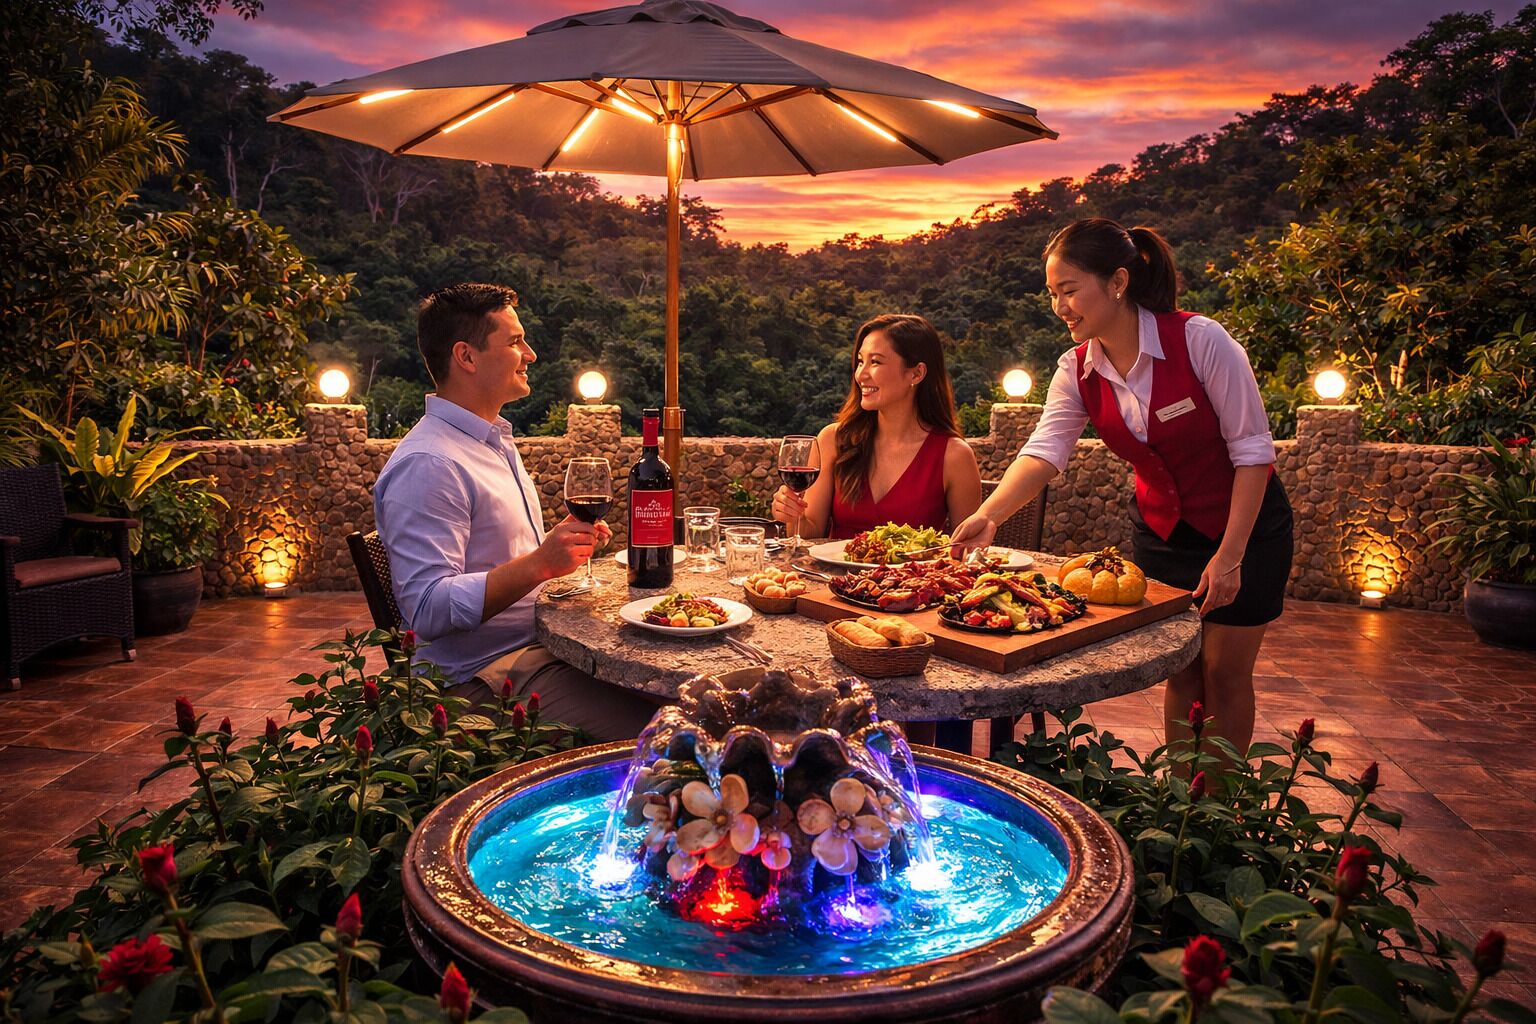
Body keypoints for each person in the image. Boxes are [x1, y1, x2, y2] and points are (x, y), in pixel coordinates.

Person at [950, 220, 1293, 756]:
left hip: (1246, 529)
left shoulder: (1201, 340)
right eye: (1053, 294)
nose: (1060, 306)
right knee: (1181, 667)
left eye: (1069, 290)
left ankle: (1222, 803)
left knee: (1224, 669)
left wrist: (1231, 555)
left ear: (1117, 282)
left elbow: (1253, 454)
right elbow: (1044, 452)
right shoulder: (1076, 369)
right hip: (1161, 533)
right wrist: (989, 515)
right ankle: (1184, 799)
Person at [373, 282, 660, 742]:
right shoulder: (430, 464)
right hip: (479, 681)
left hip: (536, 650)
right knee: (667, 730)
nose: (530, 354)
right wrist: (540, 564)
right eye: (514, 342)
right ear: (466, 357)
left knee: (689, 696)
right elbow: (426, 608)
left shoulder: (488, 441)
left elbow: (500, 560)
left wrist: (556, 551)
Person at [771, 313, 981, 542]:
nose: (861, 374)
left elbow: (968, 551)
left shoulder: (954, 456)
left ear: (916, 373)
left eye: (876, 362)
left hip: (911, 578)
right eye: (861, 361)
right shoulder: (833, 439)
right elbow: (809, 536)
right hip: (831, 578)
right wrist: (792, 515)